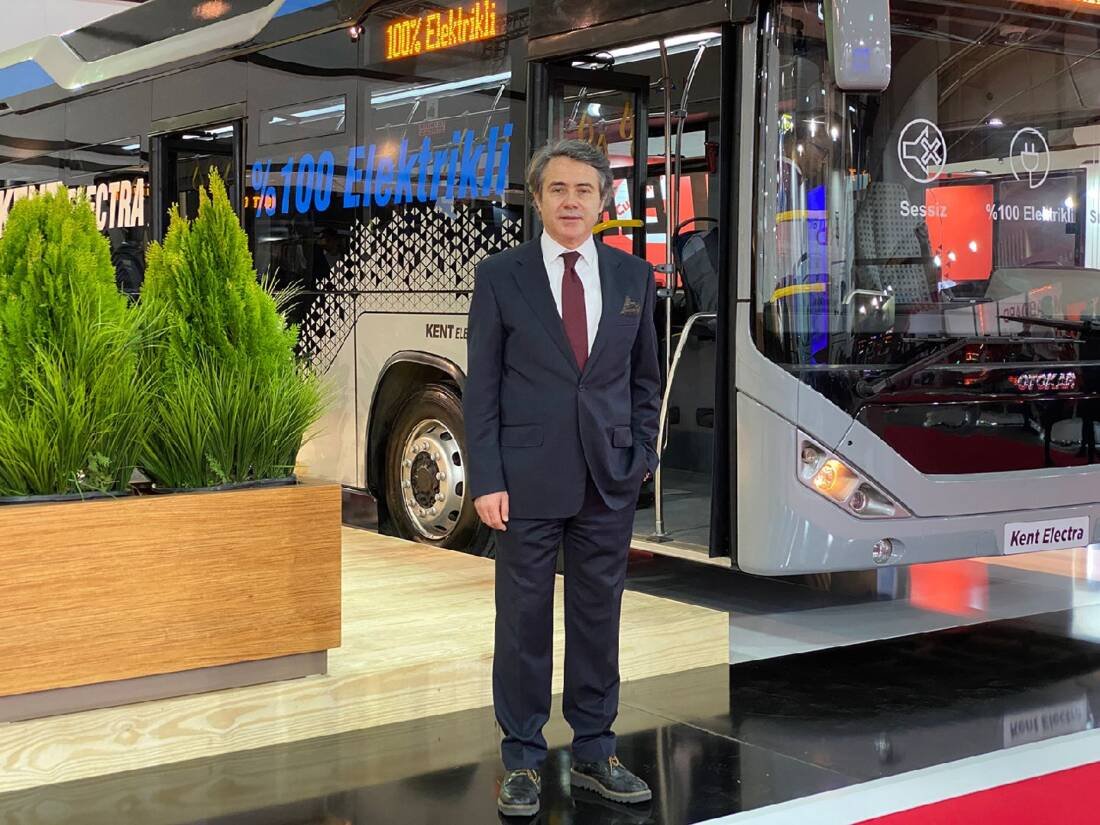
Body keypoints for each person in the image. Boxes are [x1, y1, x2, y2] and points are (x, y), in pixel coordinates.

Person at [464, 139, 661, 817]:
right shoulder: (501, 276)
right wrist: (486, 478)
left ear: (603, 201)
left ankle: (597, 751)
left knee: (598, 616)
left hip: (608, 478)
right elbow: (482, 389)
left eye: (584, 190)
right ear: (538, 200)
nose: (571, 201)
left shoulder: (635, 277)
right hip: (523, 482)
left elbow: (644, 380)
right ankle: (522, 757)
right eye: (558, 189)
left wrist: (642, 455)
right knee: (522, 621)